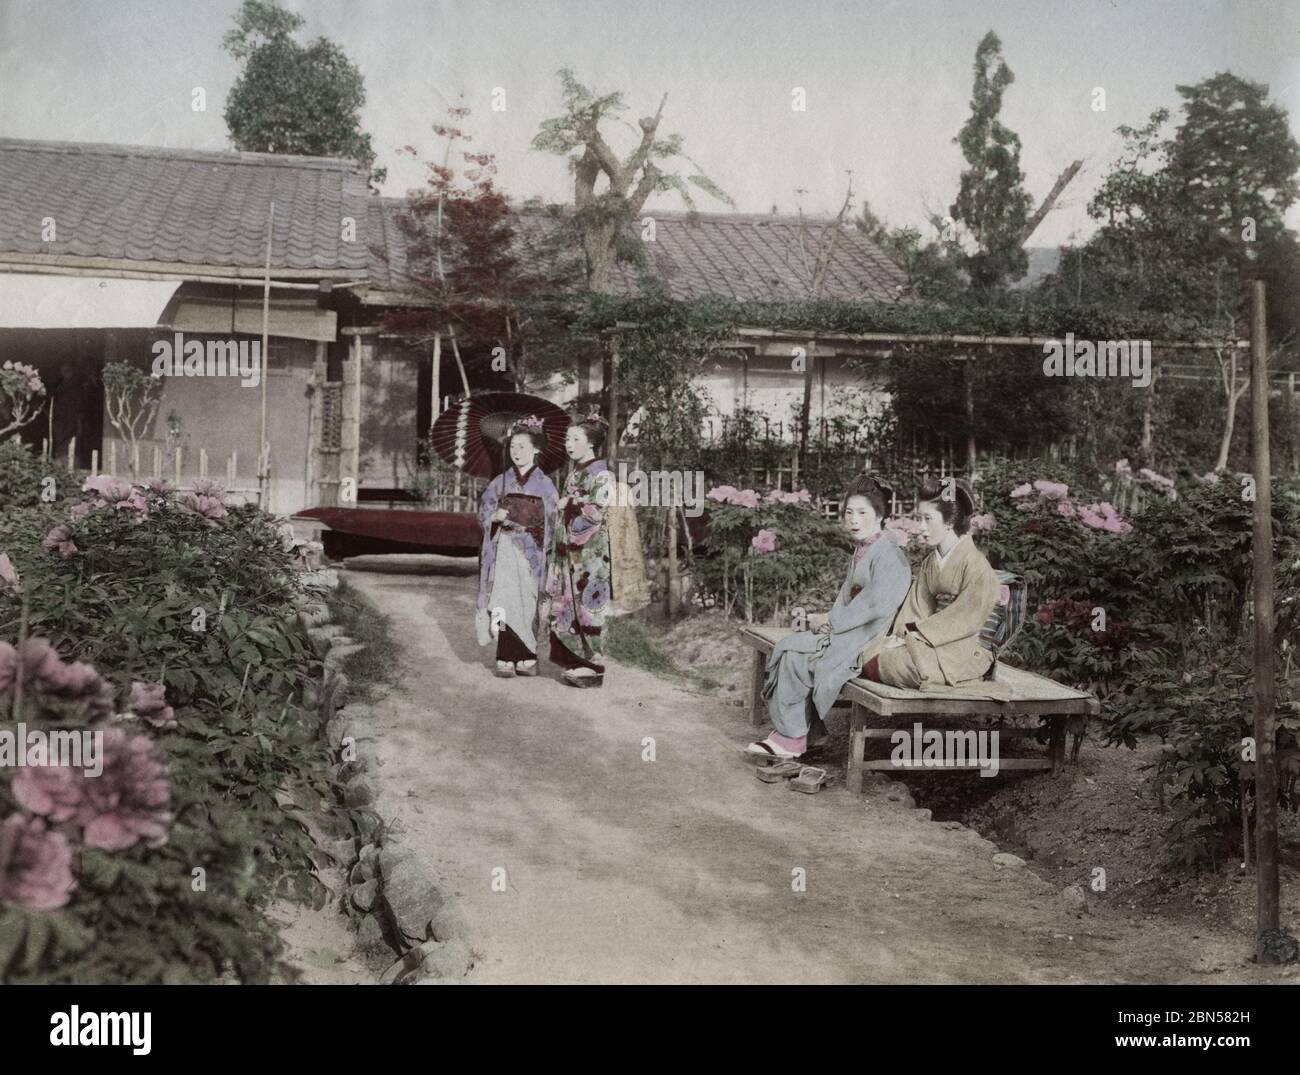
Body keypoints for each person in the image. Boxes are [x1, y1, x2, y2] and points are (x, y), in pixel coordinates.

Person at [746, 475, 912, 761]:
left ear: (881, 515)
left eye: (863, 513)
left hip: (869, 638)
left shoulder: (891, 556)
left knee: (796, 655)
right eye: (849, 512)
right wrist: (828, 618)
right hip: (852, 630)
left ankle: (792, 738)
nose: (854, 520)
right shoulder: (864, 549)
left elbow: (874, 606)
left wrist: (833, 623)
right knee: (788, 647)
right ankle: (809, 733)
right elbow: (846, 599)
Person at [860, 477, 1010, 700]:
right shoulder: (931, 562)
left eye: (927, 519)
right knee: (868, 651)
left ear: (949, 521)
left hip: (965, 646)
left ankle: (950, 674)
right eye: (919, 518)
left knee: (900, 663)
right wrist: (903, 635)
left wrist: (918, 634)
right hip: (931, 640)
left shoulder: (977, 565)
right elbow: (917, 606)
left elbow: (966, 619)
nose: (921, 527)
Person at [475, 416, 559, 677]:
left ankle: (527, 654)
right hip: (504, 549)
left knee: (527, 600)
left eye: (523, 446)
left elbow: (554, 519)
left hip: (531, 551)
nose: (517, 452)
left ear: (536, 449)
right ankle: (503, 654)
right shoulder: (499, 482)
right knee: (501, 599)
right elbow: (484, 512)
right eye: (513, 447)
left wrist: (533, 525)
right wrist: (494, 518)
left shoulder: (545, 485)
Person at [545, 414, 614, 687]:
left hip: (589, 552)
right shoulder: (576, 470)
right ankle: (576, 661)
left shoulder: (602, 473)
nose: (569, 444)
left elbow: (598, 511)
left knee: (588, 604)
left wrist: (570, 503)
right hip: (569, 549)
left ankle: (593, 664)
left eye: (576, 439)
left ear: (592, 443)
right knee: (568, 603)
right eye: (567, 439)